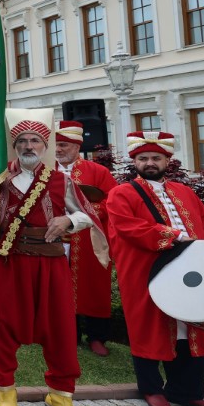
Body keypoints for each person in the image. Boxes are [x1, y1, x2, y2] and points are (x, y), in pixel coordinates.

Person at [0, 113, 103, 406]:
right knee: (2, 323)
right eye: (21, 141)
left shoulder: (61, 180)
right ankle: (6, 389)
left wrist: (68, 221)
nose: (28, 146)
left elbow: (88, 215)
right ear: (14, 147)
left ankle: (60, 393)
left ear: (44, 146)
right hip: (9, 261)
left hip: (50, 261)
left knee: (59, 326)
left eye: (34, 141)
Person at [105, 131, 204, 406]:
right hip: (147, 271)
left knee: (191, 326)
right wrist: (172, 235)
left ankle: (186, 391)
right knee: (149, 326)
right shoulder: (121, 193)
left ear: (167, 160)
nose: (149, 163)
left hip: (191, 271)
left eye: (155, 158)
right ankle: (151, 389)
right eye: (143, 158)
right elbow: (128, 227)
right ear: (134, 162)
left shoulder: (184, 192)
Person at [54, 121, 118, 356]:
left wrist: (84, 214)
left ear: (76, 146)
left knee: (92, 286)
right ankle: (65, 334)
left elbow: (111, 203)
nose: (58, 150)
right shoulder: (44, 171)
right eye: (55, 145)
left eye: (63, 145)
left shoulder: (98, 171)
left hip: (88, 238)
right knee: (56, 286)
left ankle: (97, 336)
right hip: (53, 238)